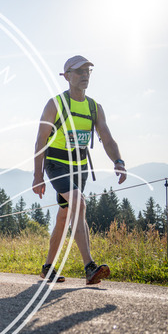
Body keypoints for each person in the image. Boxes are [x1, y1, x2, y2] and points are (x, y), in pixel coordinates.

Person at [33, 55, 127, 285]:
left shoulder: (94, 108)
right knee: (78, 201)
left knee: (64, 215)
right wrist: (37, 176)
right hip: (56, 163)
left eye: (88, 71)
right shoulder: (55, 104)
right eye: (79, 71)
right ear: (66, 76)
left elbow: (107, 138)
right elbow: (40, 140)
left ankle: (47, 267)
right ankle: (90, 267)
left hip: (80, 168)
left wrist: (118, 161)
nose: (85, 75)